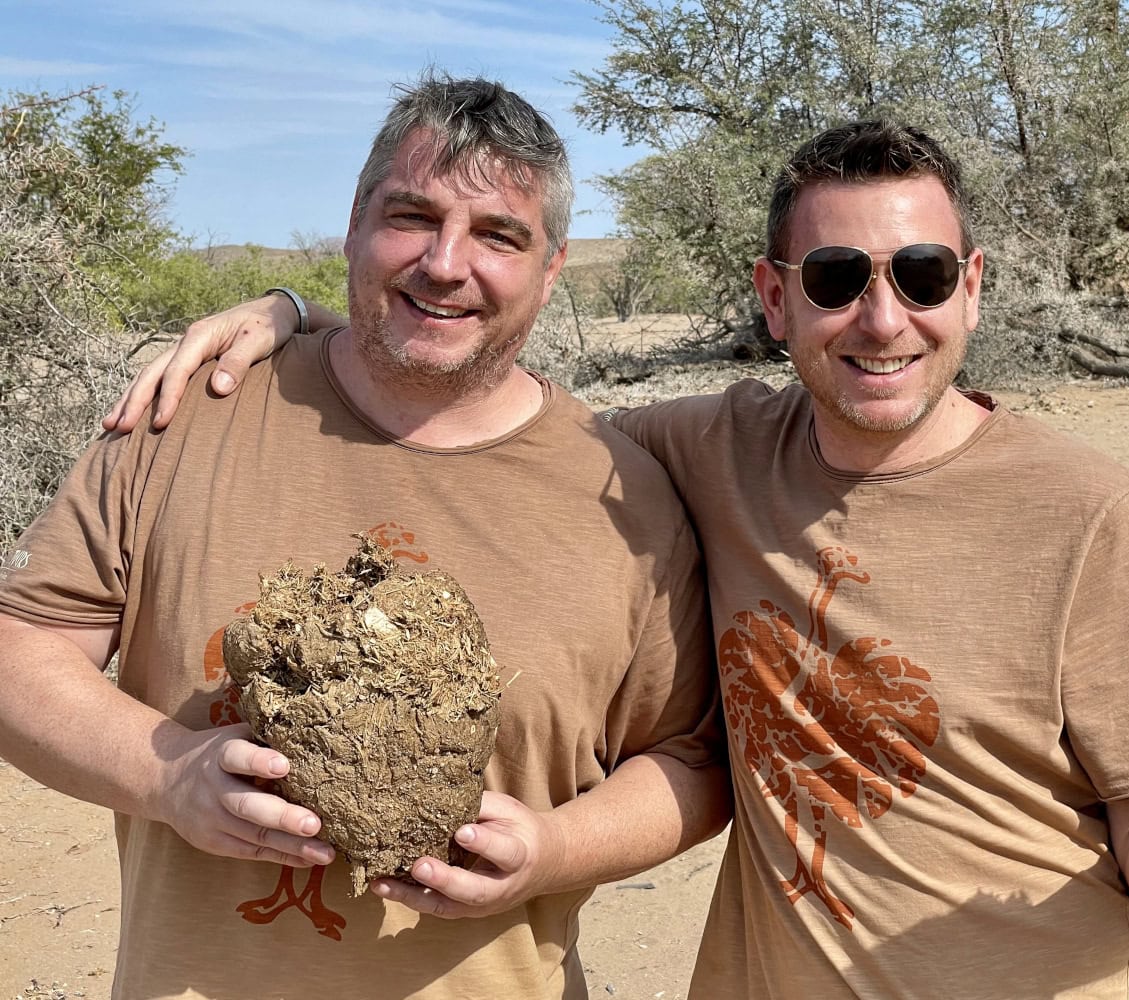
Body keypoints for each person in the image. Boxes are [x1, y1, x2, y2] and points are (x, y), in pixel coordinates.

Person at [110, 120, 1129, 999]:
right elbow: (483, 391)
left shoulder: (1087, 511)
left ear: (973, 287)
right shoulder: (701, 454)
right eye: (835, 280)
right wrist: (289, 321)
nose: (883, 318)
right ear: (772, 298)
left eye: (924, 276)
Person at [0, 73, 729, 1000]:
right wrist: (170, 776)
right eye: (412, 216)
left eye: (498, 235)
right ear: (353, 221)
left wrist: (551, 849)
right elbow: (19, 646)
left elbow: (690, 758)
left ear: (551, 269)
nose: (445, 263)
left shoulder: (626, 496)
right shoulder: (187, 416)